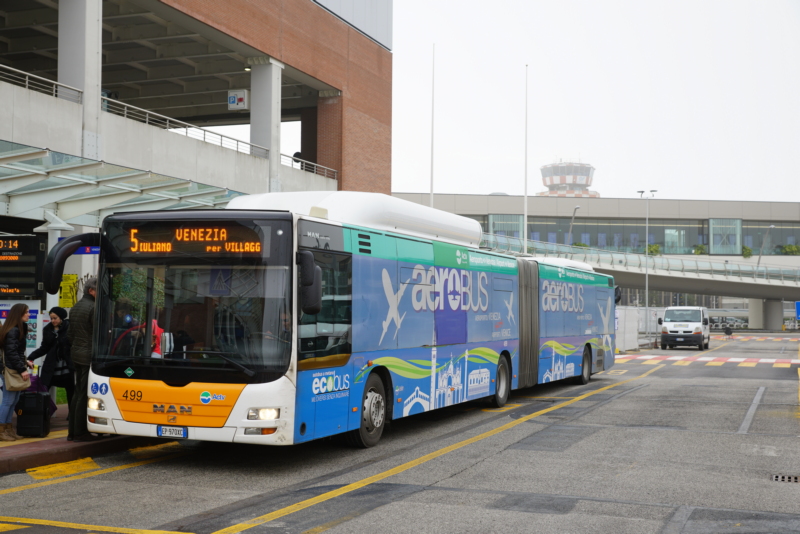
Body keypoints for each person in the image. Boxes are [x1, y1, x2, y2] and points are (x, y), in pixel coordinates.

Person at [27, 307, 74, 419]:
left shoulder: (69, 327)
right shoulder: (48, 329)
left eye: (55, 318)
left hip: (67, 365)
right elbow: (44, 348)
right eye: (51, 318)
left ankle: (72, 414)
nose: (53, 321)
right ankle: (43, 413)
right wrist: (31, 357)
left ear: (61, 317)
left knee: (71, 389)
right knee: (44, 387)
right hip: (52, 365)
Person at [67, 277, 98, 442]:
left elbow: (70, 334)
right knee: (84, 393)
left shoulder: (76, 306)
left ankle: (72, 431)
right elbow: (96, 334)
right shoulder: (93, 307)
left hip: (76, 353)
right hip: (87, 355)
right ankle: (80, 432)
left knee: (77, 392)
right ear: (91, 291)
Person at [0, 303, 34, 441]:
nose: (29, 314)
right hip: (10, 369)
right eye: (26, 312)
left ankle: (8, 430)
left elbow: (15, 352)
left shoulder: (17, 328)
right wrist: (22, 369)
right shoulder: (14, 330)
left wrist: (25, 362)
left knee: (14, 400)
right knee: (9, 400)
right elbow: (11, 352)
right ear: (19, 314)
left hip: (12, 367)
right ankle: (2, 430)